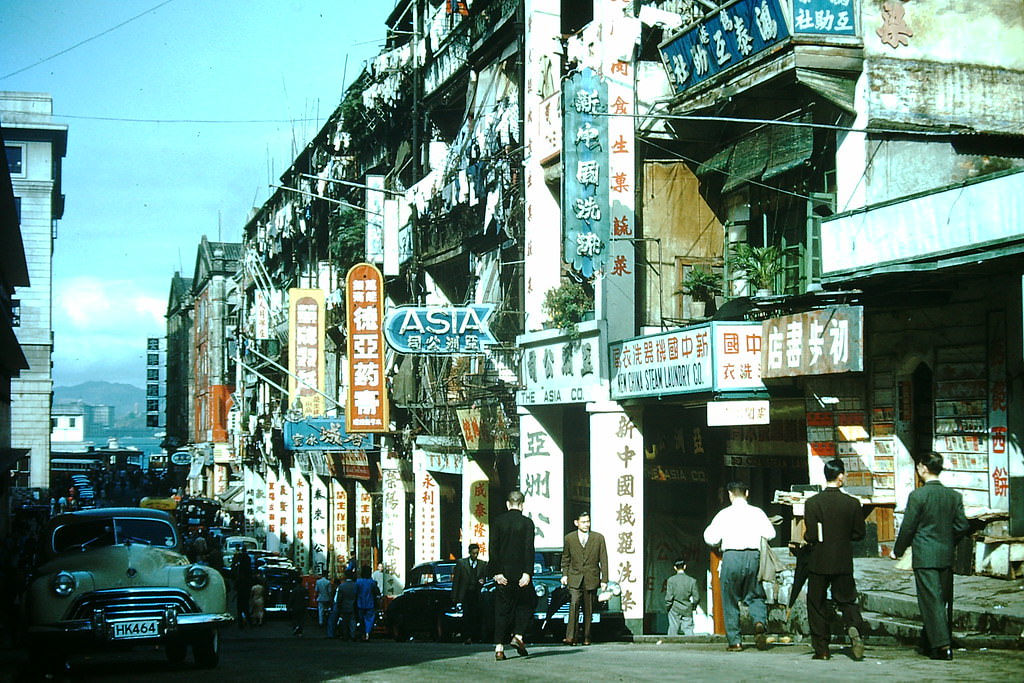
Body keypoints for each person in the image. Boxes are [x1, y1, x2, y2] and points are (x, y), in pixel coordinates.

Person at [892, 451, 970, 661]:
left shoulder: (918, 496)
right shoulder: (954, 496)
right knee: (939, 599)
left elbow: (908, 527)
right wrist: (946, 538)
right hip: (945, 554)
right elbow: (962, 525)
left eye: (918, 467)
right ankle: (929, 642)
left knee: (931, 600)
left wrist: (898, 550)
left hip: (925, 554)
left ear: (924, 469)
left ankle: (943, 646)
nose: (918, 471)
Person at [803, 457, 868, 661]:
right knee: (847, 600)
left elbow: (811, 535)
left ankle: (822, 648)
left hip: (819, 561)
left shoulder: (812, 503)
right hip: (842, 560)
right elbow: (859, 534)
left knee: (816, 603)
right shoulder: (852, 503)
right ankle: (854, 628)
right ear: (840, 477)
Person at [703, 480, 776, 652]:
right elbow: (771, 534)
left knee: (730, 600)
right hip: (753, 556)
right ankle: (759, 622)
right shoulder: (757, 513)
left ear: (730, 494)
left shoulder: (723, 515)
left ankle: (735, 641)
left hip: (731, 556)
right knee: (756, 594)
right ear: (747, 493)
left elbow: (710, 538)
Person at [490, 489, 535, 661]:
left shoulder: (498, 521)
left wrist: (496, 572)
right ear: (522, 505)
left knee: (502, 610)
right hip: (521, 574)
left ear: (508, 504)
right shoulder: (527, 523)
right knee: (528, 603)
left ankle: (499, 648)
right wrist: (527, 573)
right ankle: (518, 636)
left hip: (503, 574)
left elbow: (493, 548)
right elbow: (528, 549)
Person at [560, 510, 608, 646]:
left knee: (589, 608)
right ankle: (571, 637)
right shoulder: (569, 538)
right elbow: (566, 558)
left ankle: (587, 636)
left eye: (588, 521)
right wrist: (564, 574)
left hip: (591, 577)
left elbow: (603, 559)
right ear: (576, 523)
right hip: (575, 577)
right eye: (583, 522)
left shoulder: (598, 538)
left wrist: (604, 579)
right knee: (574, 603)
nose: (587, 524)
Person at [453, 543, 489, 644]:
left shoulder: (482, 564)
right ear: (470, 553)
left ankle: (476, 636)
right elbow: (456, 581)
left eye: (477, 553)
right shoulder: (461, 563)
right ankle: (467, 636)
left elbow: (484, 577)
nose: (475, 555)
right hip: (466, 593)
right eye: (473, 553)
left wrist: (482, 580)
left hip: (476, 593)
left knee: (477, 615)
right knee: (467, 615)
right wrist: (455, 597)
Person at [664, 559, 700, 636]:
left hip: (674, 607)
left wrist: (668, 606)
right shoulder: (692, 581)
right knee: (688, 628)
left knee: (673, 628)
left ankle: (671, 646)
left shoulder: (671, 580)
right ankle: (690, 645)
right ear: (685, 567)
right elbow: (696, 598)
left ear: (675, 568)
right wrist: (693, 606)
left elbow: (669, 597)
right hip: (687, 607)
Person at [328, 569, 359, 640]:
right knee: (352, 621)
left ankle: (345, 635)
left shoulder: (342, 586)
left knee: (345, 621)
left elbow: (339, 598)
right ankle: (352, 635)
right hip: (353, 605)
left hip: (344, 606)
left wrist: (339, 605)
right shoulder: (355, 585)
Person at [355, 565, 381, 641]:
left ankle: (362, 633)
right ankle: (367, 633)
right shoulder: (372, 582)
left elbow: (355, 592)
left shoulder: (358, 582)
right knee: (369, 619)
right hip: (370, 603)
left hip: (360, 603)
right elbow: (376, 592)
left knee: (361, 619)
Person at [231, 548, 253, 628]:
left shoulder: (239, 570)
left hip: (241, 590)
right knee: (245, 606)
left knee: (240, 607)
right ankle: (248, 621)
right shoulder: (247, 571)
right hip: (245, 589)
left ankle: (241, 623)